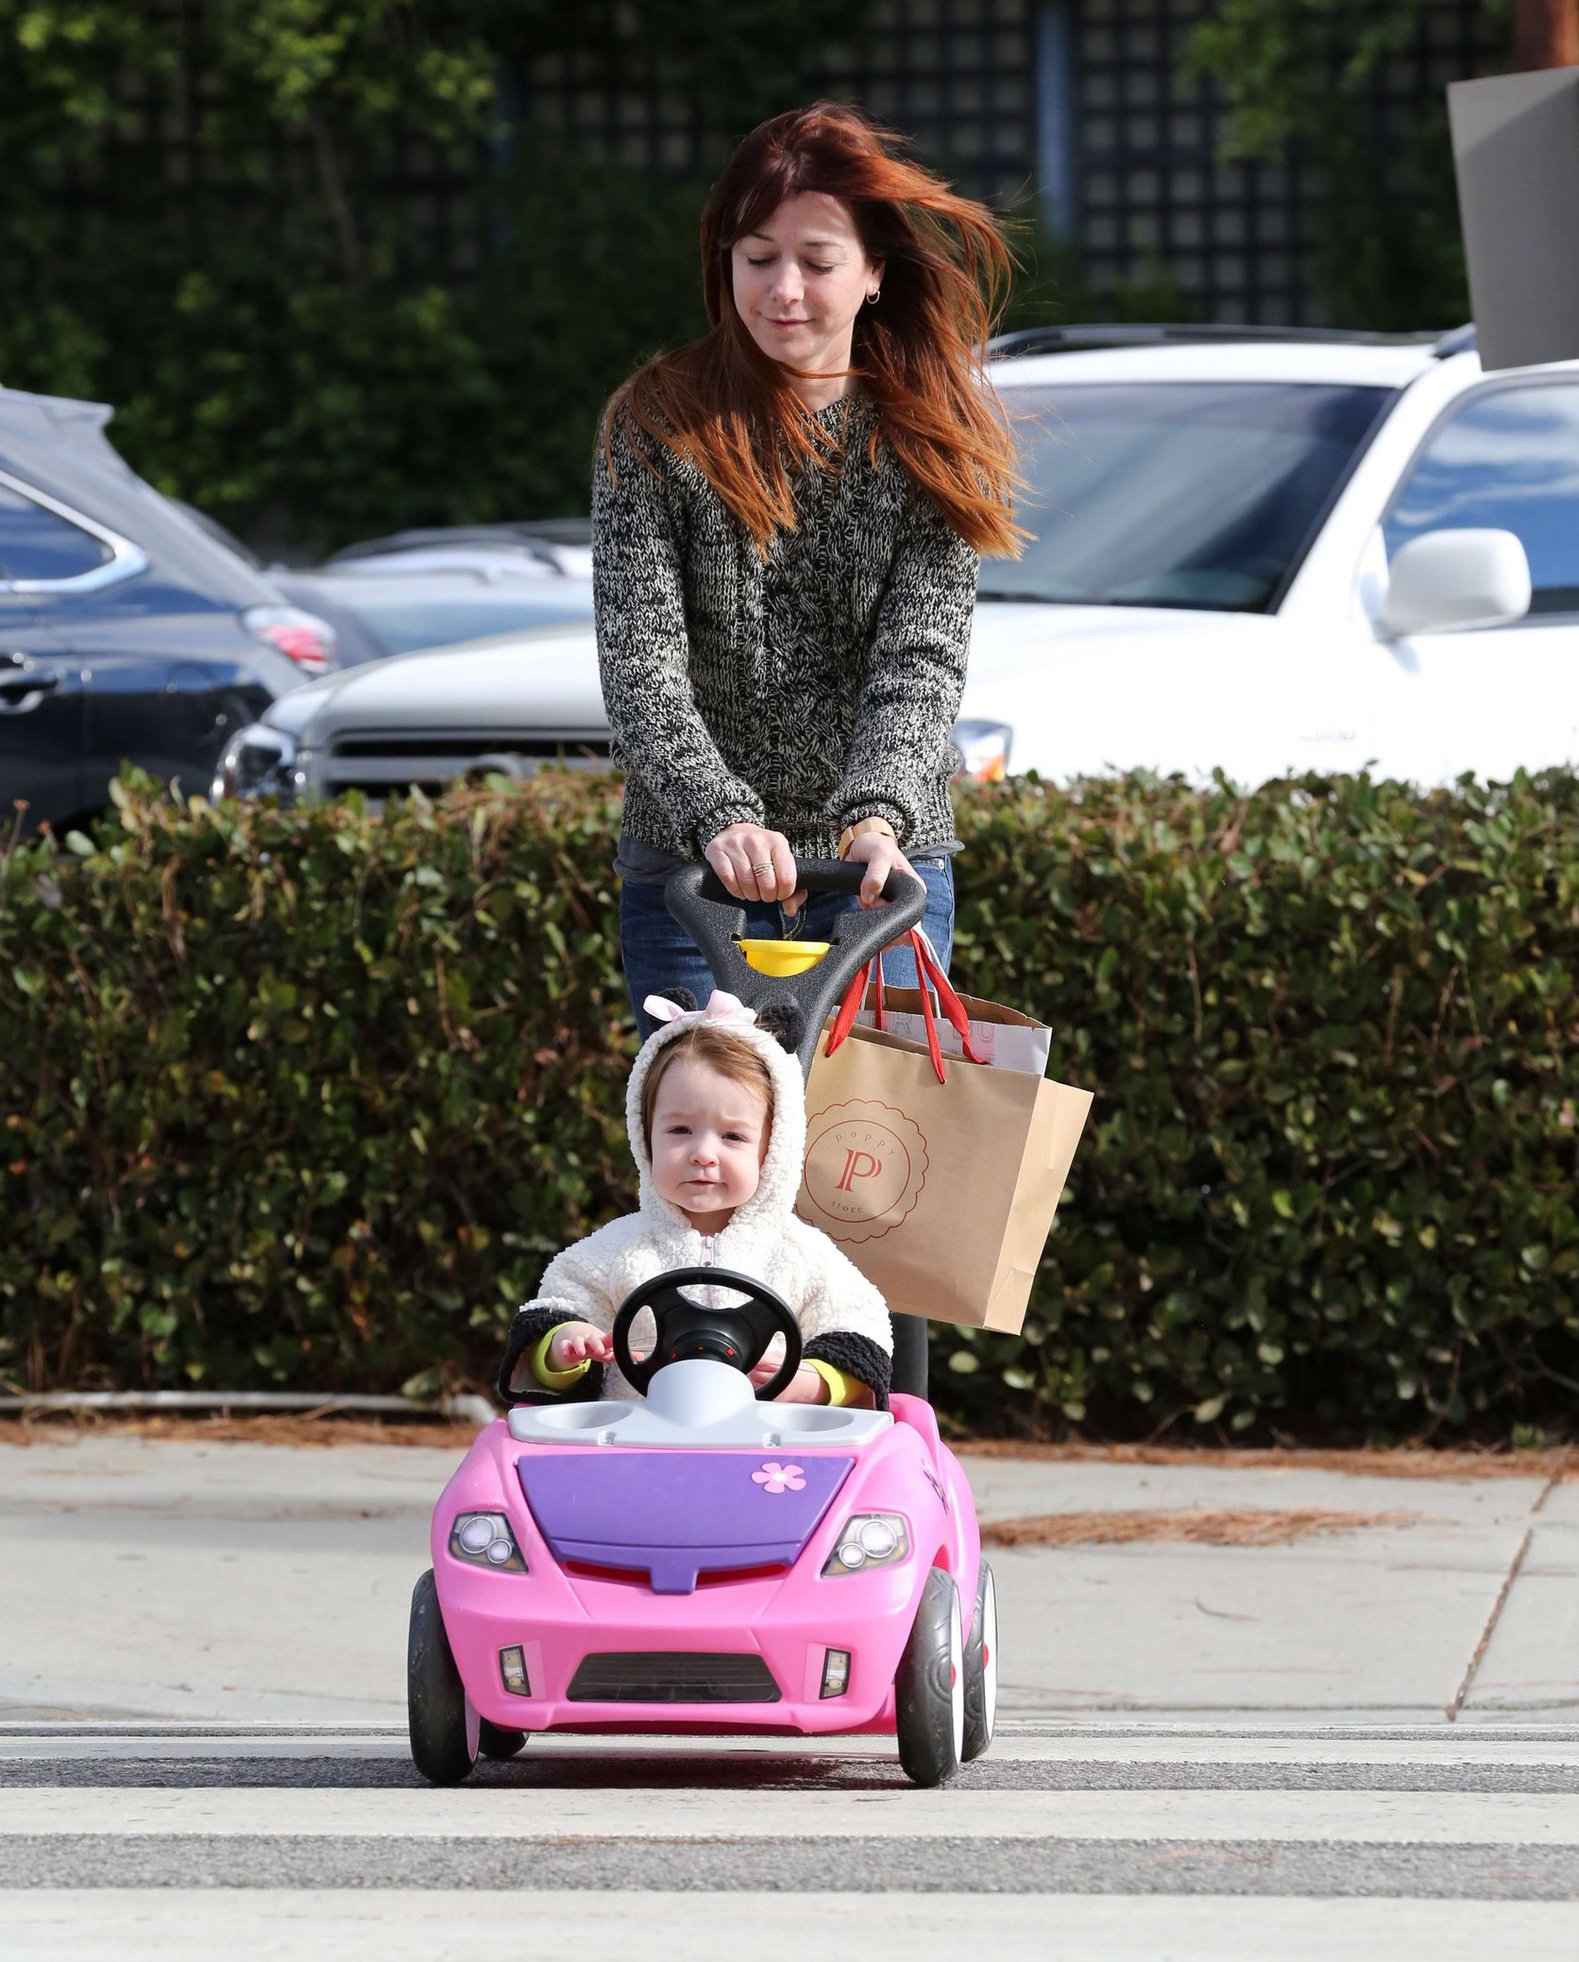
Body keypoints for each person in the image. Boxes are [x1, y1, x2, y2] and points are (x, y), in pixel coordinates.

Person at [592, 102, 1020, 1396]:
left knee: (864, 1180)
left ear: (873, 268)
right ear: (722, 261)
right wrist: (715, 806)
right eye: (755, 254)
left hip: (877, 879)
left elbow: (920, 658)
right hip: (693, 874)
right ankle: (696, 1433)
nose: (783, 287)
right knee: (707, 1169)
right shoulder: (656, 422)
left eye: (815, 257)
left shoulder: (927, 431)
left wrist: (879, 810)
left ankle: (882, 1442)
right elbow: (640, 657)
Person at [496, 989, 892, 1409]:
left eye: (732, 1136)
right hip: (635, 1449)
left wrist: (809, 1381)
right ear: (644, 1137)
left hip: (775, 1457)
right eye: (680, 1131)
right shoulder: (615, 1252)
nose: (703, 1153)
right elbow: (558, 1308)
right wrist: (564, 1347)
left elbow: (859, 1334)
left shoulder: (803, 1257)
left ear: (773, 1148)